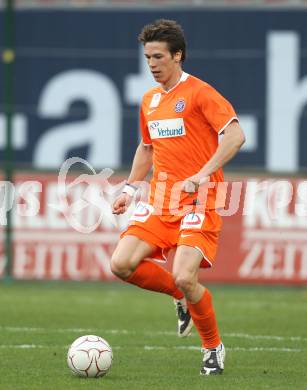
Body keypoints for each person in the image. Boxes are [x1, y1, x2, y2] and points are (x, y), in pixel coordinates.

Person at [111, 19, 245, 375]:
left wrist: (202, 174)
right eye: (147, 57)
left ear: (178, 55)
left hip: (201, 199)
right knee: (121, 265)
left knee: (186, 275)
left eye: (158, 57)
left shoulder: (201, 93)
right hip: (160, 201)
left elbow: (235, 137)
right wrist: (129, 187)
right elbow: (147, 147)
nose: (152, 64)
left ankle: (212, 348)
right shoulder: (150, 100)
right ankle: (179, 298)